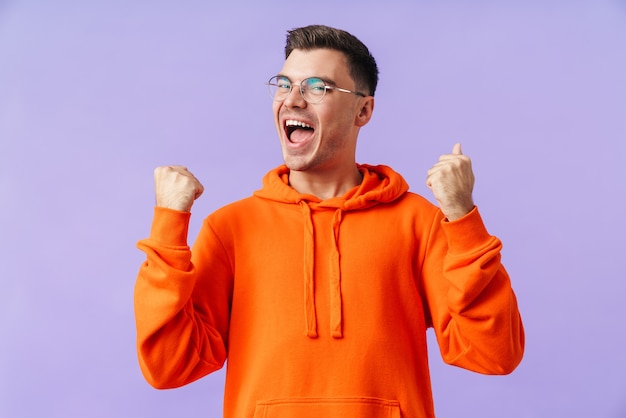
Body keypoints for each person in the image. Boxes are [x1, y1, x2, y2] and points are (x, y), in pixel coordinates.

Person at [134, 24, 525, 418]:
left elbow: (494, 353)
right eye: (284, 84)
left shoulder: (418, 222)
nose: (293, 99)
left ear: (363, 109)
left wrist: (462, 217)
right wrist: (169, 224)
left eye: (317, 87)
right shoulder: (230, 228)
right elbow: (170, 366)